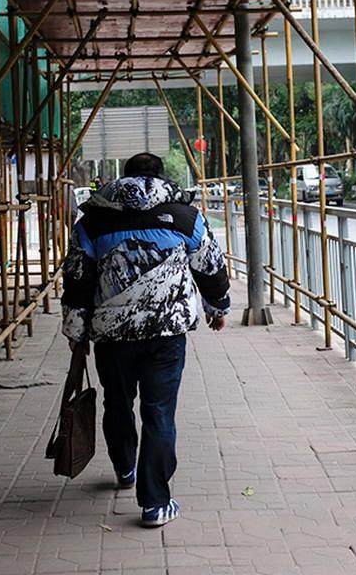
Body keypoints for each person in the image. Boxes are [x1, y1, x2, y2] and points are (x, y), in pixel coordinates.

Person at [61, 152, 230, 528]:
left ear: (123, 179)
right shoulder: (186, 217)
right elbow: (211, 267)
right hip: (166, 332)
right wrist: (217, 308)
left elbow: (77, 279)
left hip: (111, 332)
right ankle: (155, 503)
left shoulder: (91, 222)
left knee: (117, 402)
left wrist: (75, 331)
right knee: (159, 412)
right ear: (161, 178)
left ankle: (125, 468)